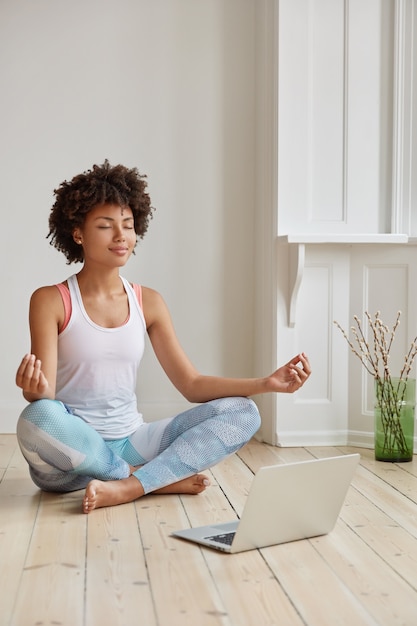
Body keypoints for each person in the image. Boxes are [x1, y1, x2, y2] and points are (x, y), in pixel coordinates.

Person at [15, 160, 311, 514]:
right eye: (106, 226)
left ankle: (130, 484)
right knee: (38, 417)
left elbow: (192, 384)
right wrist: (31, 389)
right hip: (71, 458)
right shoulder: (50, 300)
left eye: (128, 225)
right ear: (77, 233)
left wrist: (267, 382)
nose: (121, 236)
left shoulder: (149, 302)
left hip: (133, 440)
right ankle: (145, 480)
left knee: (244, 412)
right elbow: (43, 394)